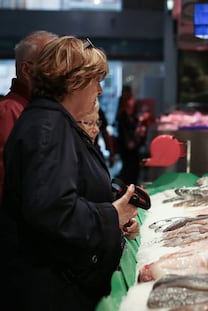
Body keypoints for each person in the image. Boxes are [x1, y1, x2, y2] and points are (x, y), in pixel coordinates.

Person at [0, 36, 140, 310]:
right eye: (95, 80)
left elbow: (71, 189)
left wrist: (114, 212)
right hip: (50, 290)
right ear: (73, 82)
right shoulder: (48, 128)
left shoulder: (54, 121)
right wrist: (113, 215)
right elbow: (53, 211)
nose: (100, 90)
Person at [0, 30, 58, 205]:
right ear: (27, 70)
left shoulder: (42, 110)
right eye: (52, 63)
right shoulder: (8, 111)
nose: (62, 72)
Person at [116, 90, 142, 185]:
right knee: (130, 169)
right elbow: (128, 130)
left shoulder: (130, 114)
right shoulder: (123, 115)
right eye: (131, 98)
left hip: (131, 146)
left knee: (132, 169)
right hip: (127, 147)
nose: (133, 100)